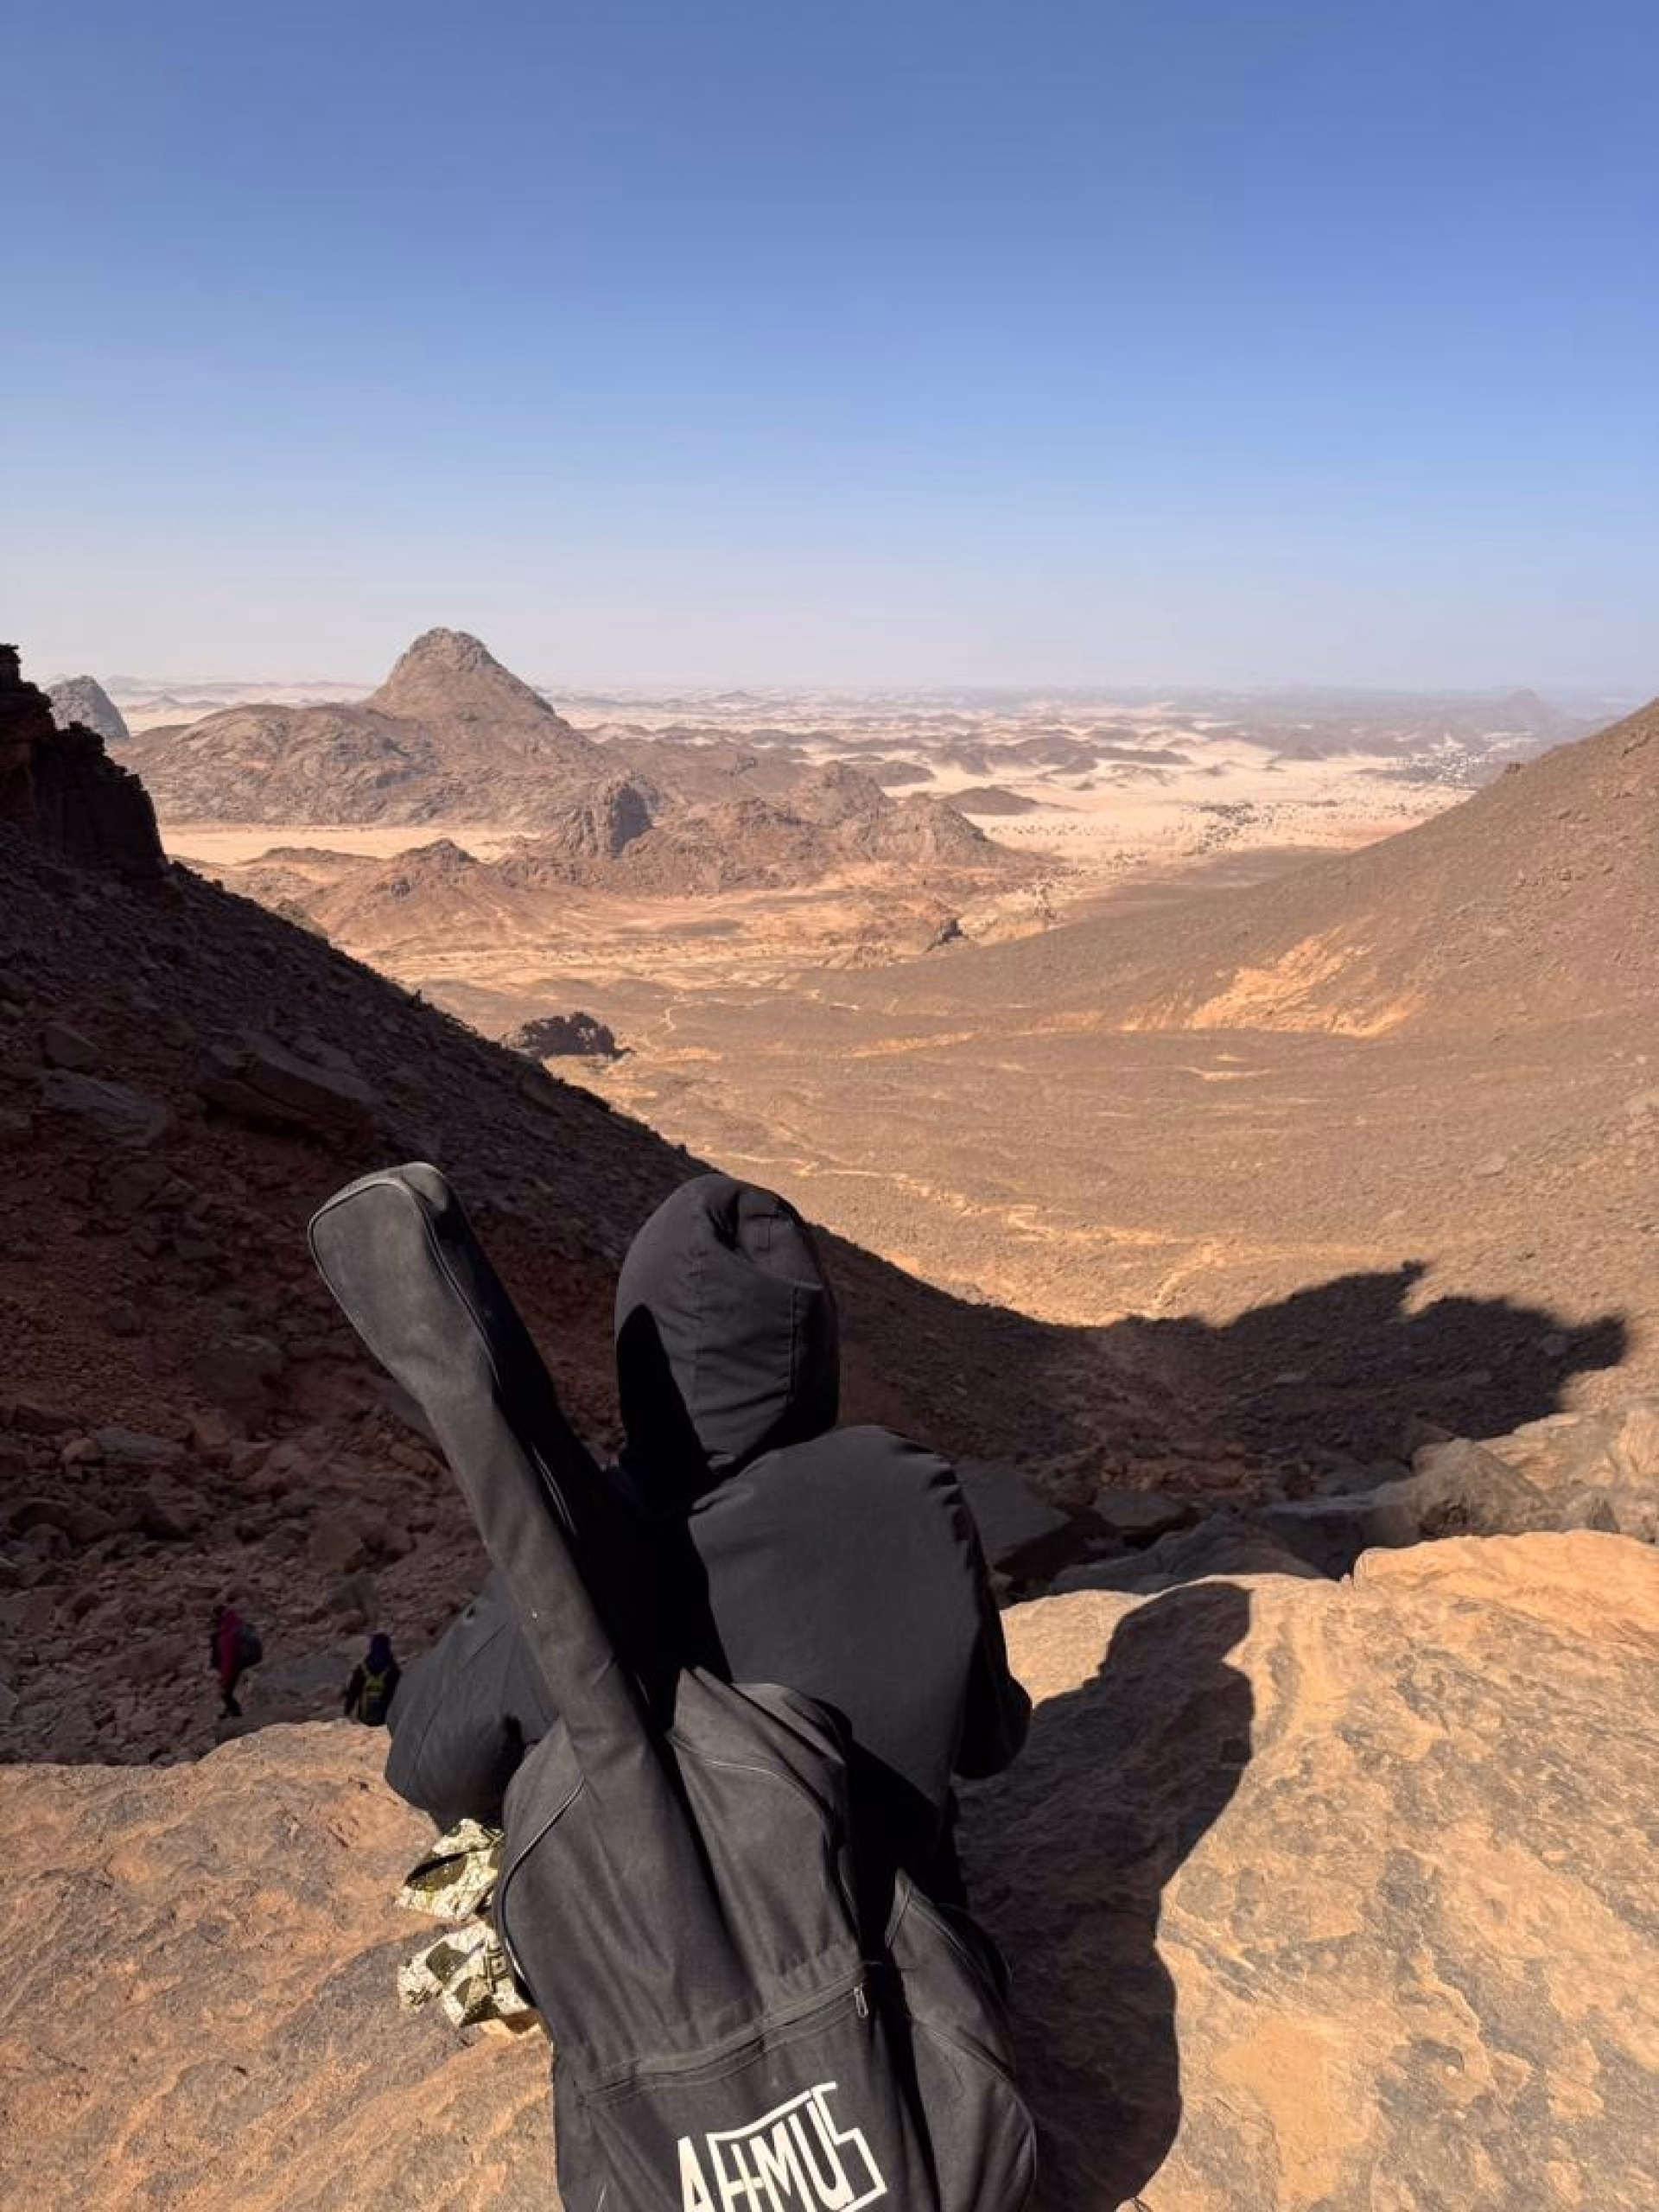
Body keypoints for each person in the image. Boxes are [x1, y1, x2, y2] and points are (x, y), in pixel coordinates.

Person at [385, 1173, 1030, 1906]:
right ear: (812, 1342)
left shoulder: (587, 1544)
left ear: (638, 1352)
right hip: (916, 1947)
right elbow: (990, 1741)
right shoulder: (913, 1489)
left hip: (700, 1966)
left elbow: (429, 1768)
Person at [209, 1602, 257, 1719]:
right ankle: (230, 1711)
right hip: (248, 1662)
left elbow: (228, 1661)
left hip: (237, 1665)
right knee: (230, 1692)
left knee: (226, 1693)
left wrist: (224, 1681)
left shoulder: (226, 1636)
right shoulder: (237, 1624)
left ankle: (237, 1718)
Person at [344, 1631, 402, 1726]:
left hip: (364, 1717)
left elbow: (353, 1691)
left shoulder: (362, 1668)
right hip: (385, 1719)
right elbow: (398, 1693)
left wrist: (347, 1710)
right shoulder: (392, 1670)